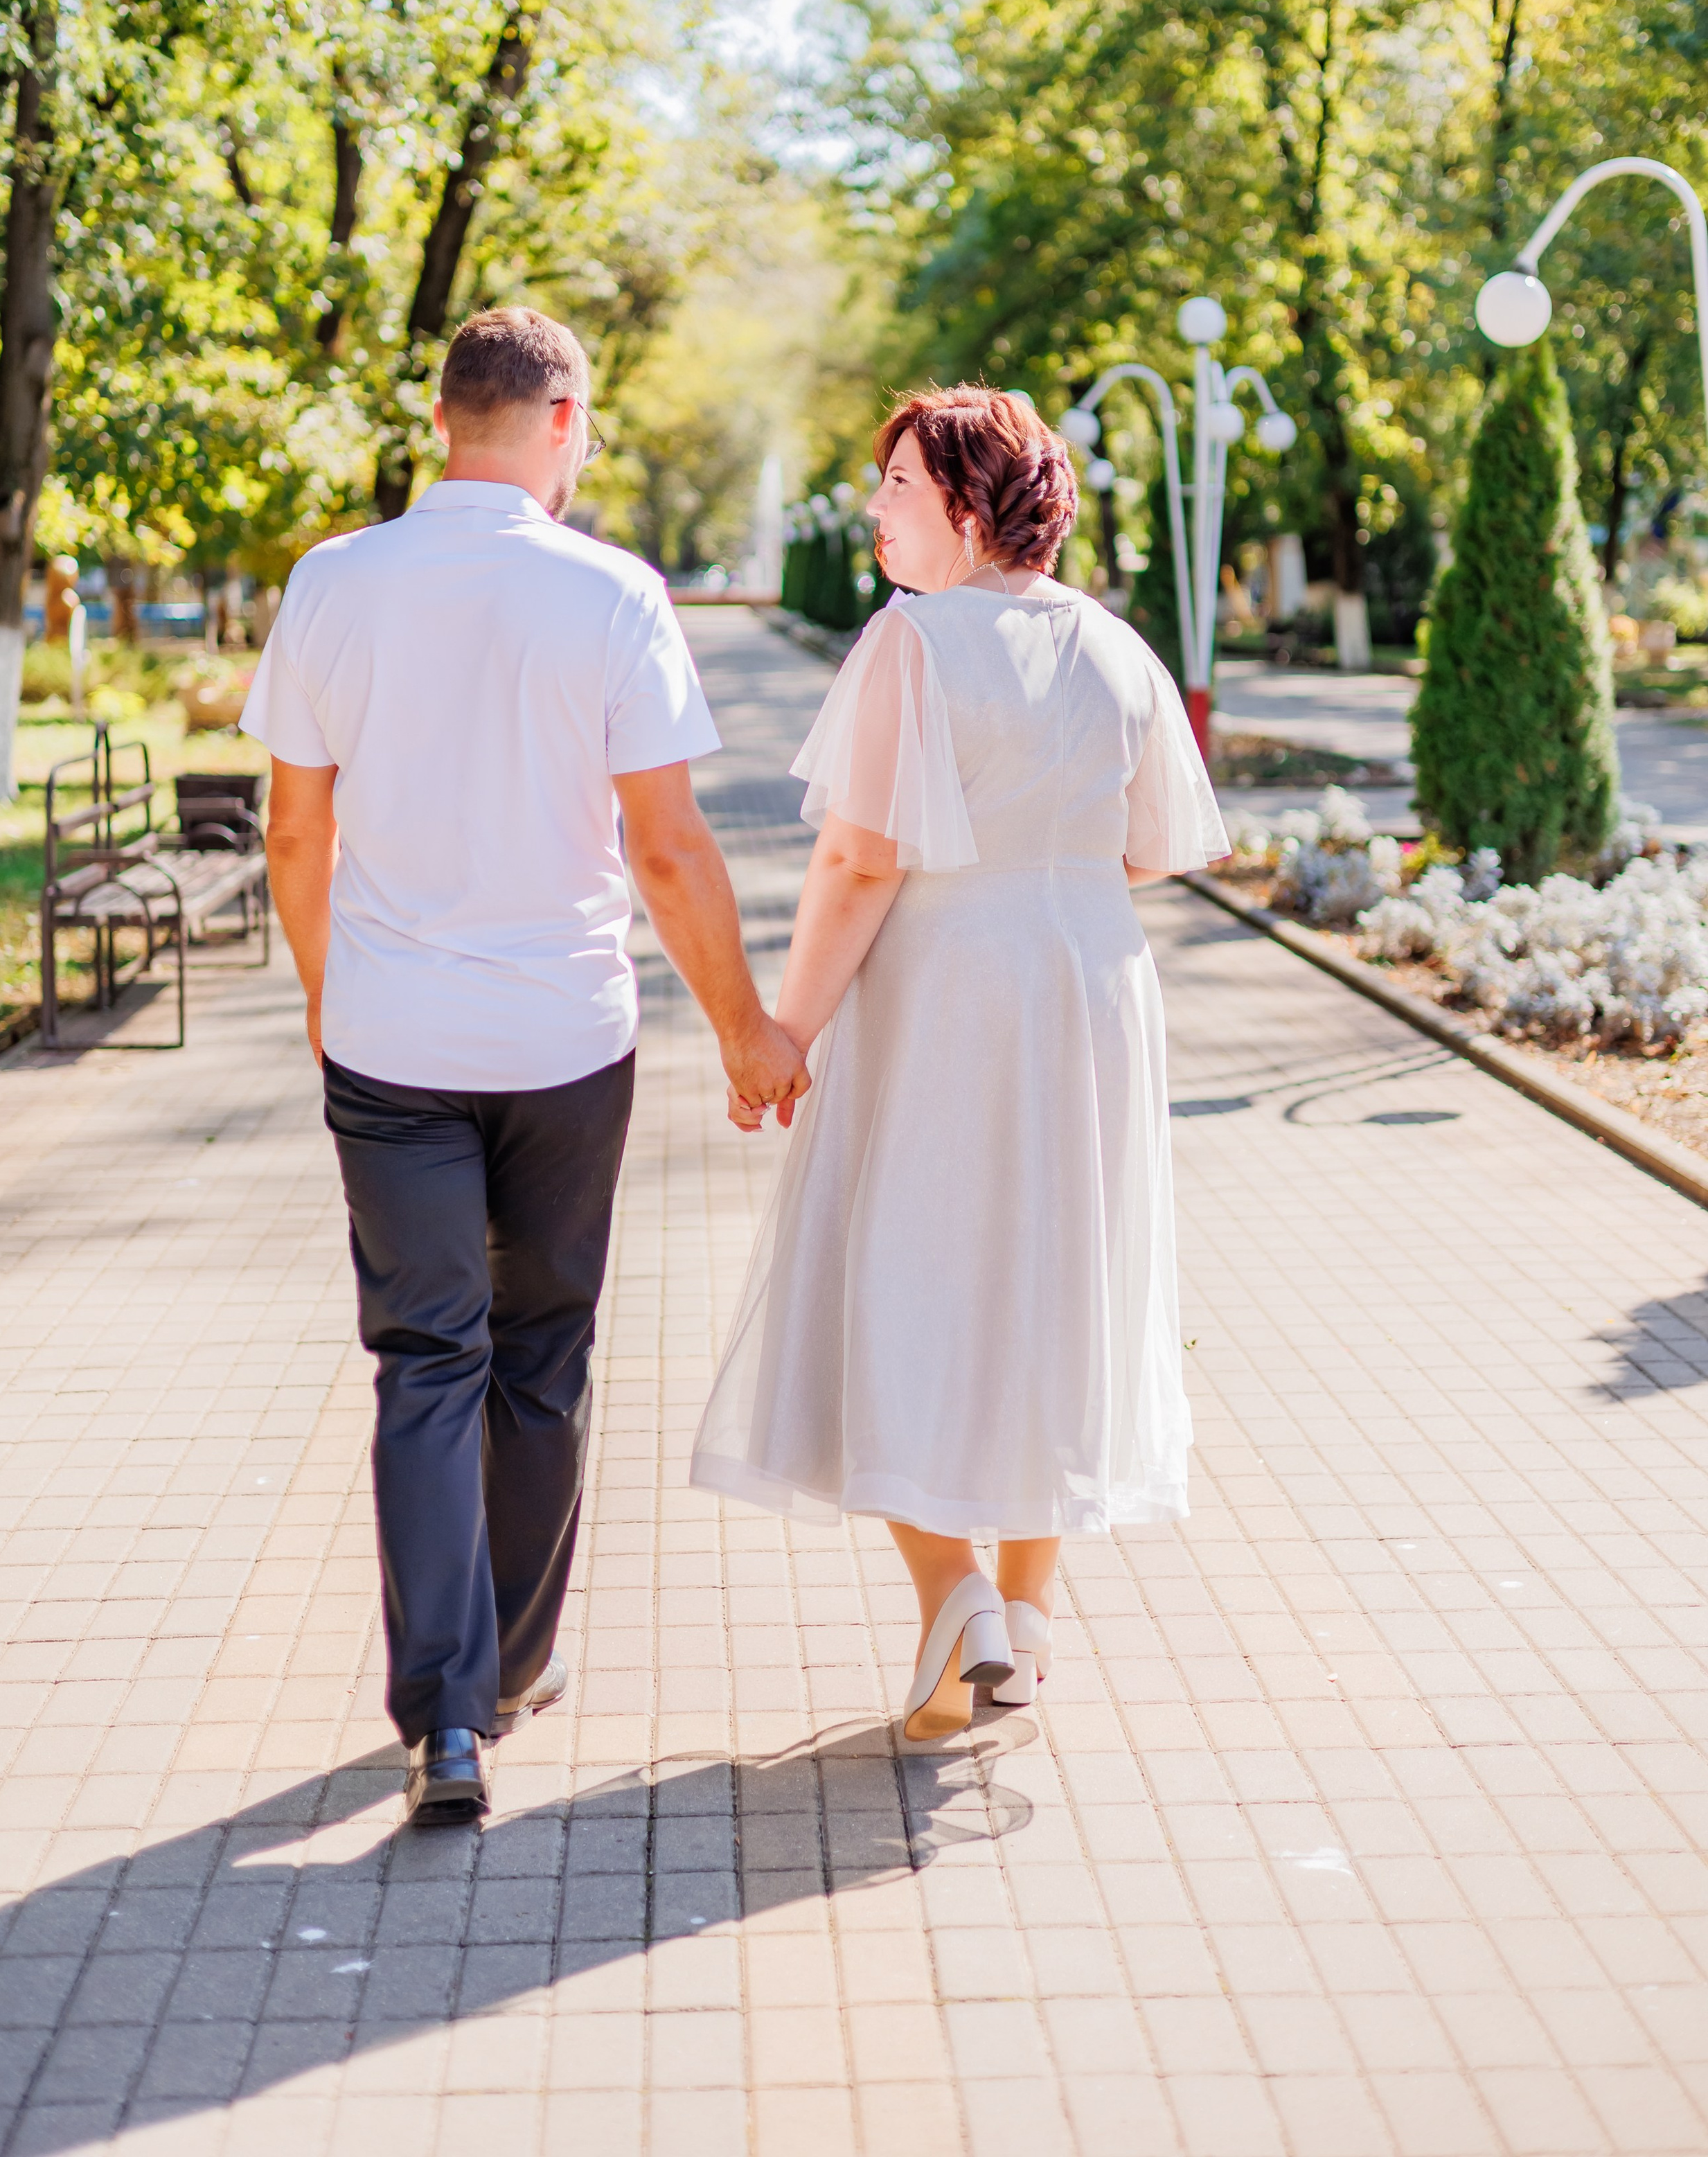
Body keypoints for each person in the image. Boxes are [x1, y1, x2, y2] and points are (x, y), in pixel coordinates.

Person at [243, 305, 808, 1823]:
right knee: (541, 1353)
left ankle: (442, 1717)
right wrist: (747, 1030)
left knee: (425, 1361)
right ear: (559, 422)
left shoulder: (334, 584)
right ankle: (505, 1672)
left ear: (446, 420)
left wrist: (323, 991)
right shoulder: (613, 595)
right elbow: (671, 846)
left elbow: (295, 831)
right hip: (566, 1038)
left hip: (389, 1042)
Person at [691, 385, 1227, 1741]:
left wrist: (783, 1034)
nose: (874, 513)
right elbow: (1155, 845)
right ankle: (1023, 1621)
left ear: (972, 507)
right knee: (1059, 1281)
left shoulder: (913, 642)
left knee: (903, 1276)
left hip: (946, 987)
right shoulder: (1118, 651)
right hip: (1091, 988)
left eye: (899, 491)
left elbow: (860, 854)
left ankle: (958, 1600)